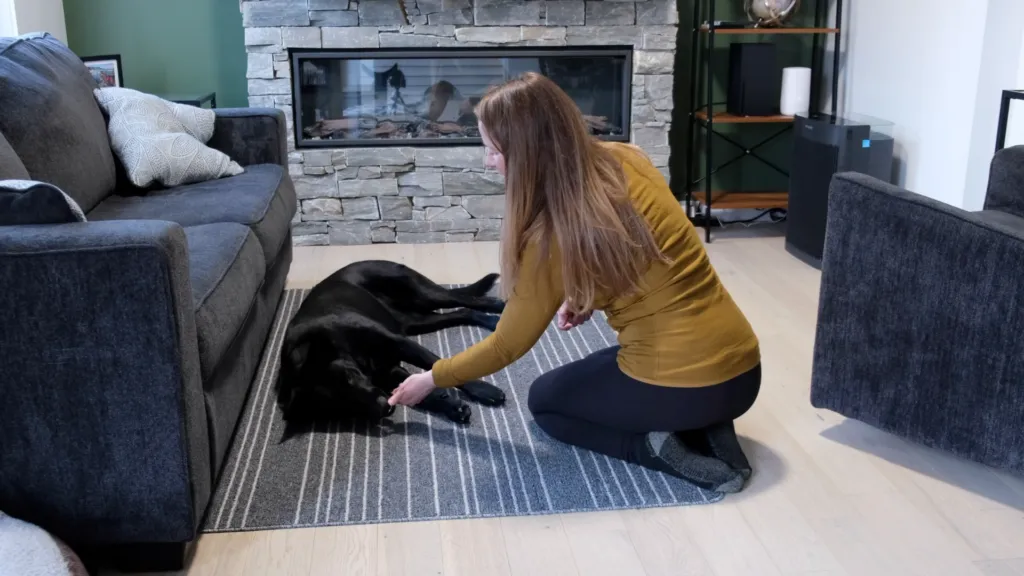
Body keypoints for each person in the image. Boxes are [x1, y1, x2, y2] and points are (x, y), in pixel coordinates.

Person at [388, 72, 761, 491]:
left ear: (527, 154)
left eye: (493, 150)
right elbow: (646, 256)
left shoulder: (547, 237)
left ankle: (656, 448)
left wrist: (432, 377)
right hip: (744, 370)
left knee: (547, 402)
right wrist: (587, 295)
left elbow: (507, 345)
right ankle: (710, 429)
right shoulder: (627, 157)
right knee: (598, 367)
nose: (486, 161)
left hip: (685, 385)